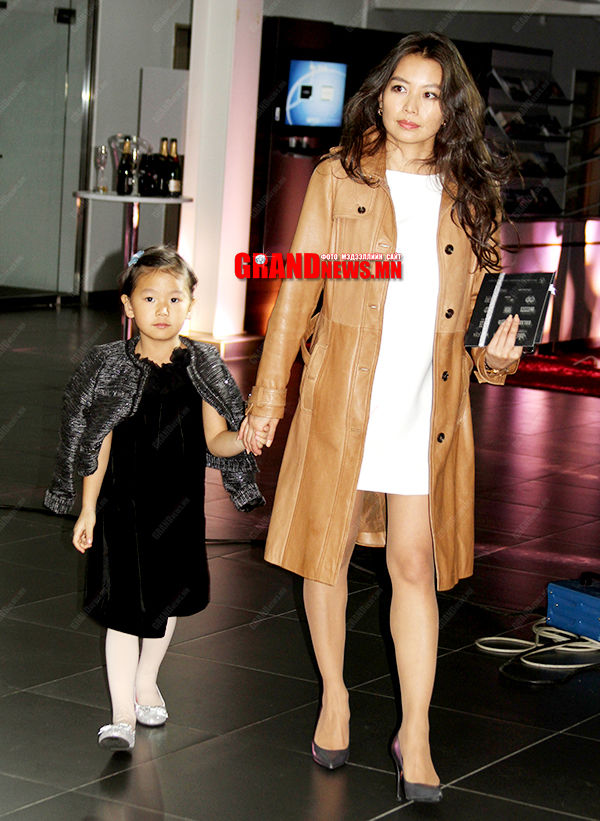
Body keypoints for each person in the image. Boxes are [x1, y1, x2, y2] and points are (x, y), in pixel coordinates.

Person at [240, 32, 521, 803]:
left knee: (413, 566)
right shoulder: (340, 177)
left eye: (431, 94)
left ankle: (416, 731)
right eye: (401, 87)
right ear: (381, 93)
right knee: (325, 554)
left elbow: (480, 317)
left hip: (423, 406)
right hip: (343, 395)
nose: (411, 106)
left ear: (451, 110)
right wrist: (268, 397)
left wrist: (498, 356)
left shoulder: (473, 195)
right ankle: (335, 696)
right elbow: (298, 289)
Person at [45, 246, 264, 750]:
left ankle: (147, 681)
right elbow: (95, 443)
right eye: (149, 298)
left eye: (174, 298)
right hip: (121, 509)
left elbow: (216, 441)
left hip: (178, 510)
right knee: (123, 610)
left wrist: (245, 437)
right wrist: (87, 508)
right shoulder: (109, 365)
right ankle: (122, 714)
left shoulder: (202, 364)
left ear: (191, 304)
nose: (162, 309)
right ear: (127, 305)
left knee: (165, 604)